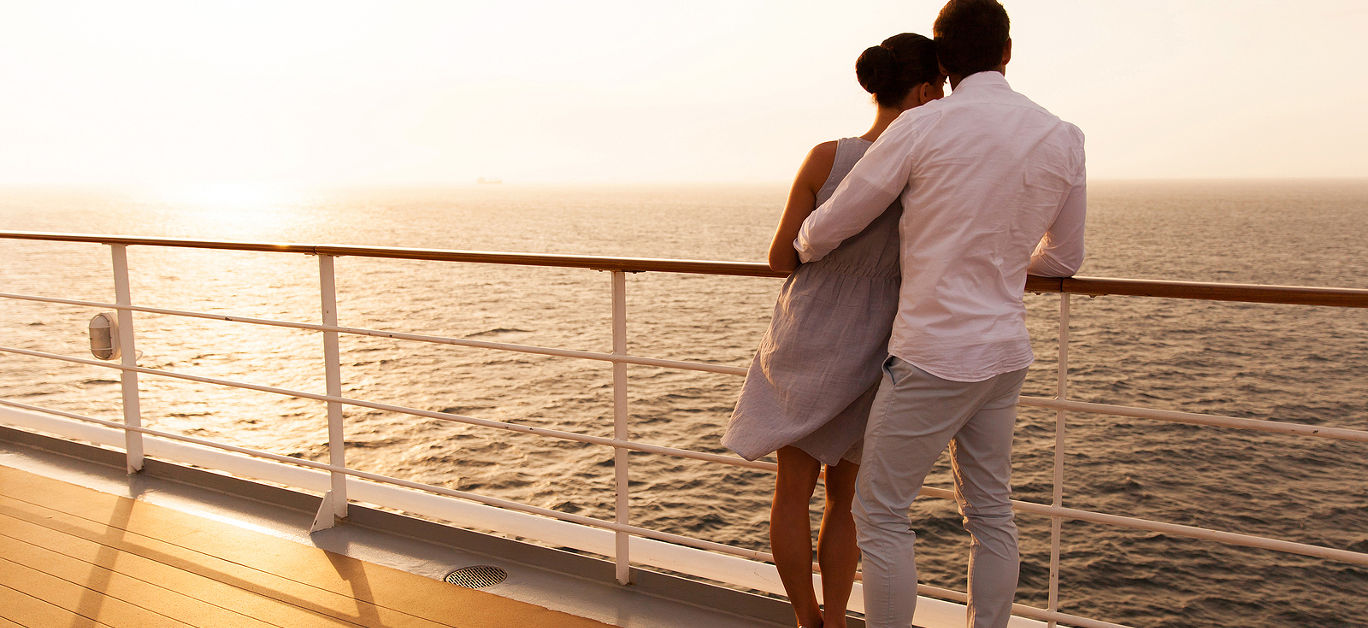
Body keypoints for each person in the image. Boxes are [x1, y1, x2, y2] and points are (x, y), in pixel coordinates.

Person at [793, 1, 1087, 626]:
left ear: (944, 59)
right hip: (1004, 355)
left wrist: (802, 246)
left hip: (932, 356)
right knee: (991, 513)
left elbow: (836, 221)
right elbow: (1064, 258)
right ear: (1008, 52)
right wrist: (1003, 264)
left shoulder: (923, 127)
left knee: (880, 513)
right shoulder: (1062, 135)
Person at [722, 33, 946, 628]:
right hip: (878, 344)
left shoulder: (827, 156)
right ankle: (839, 619)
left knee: (791, 489)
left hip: (806, 334)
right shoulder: (928, 170)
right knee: (845, 499)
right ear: (925, 91)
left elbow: (779, 257)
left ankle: (806, 620)